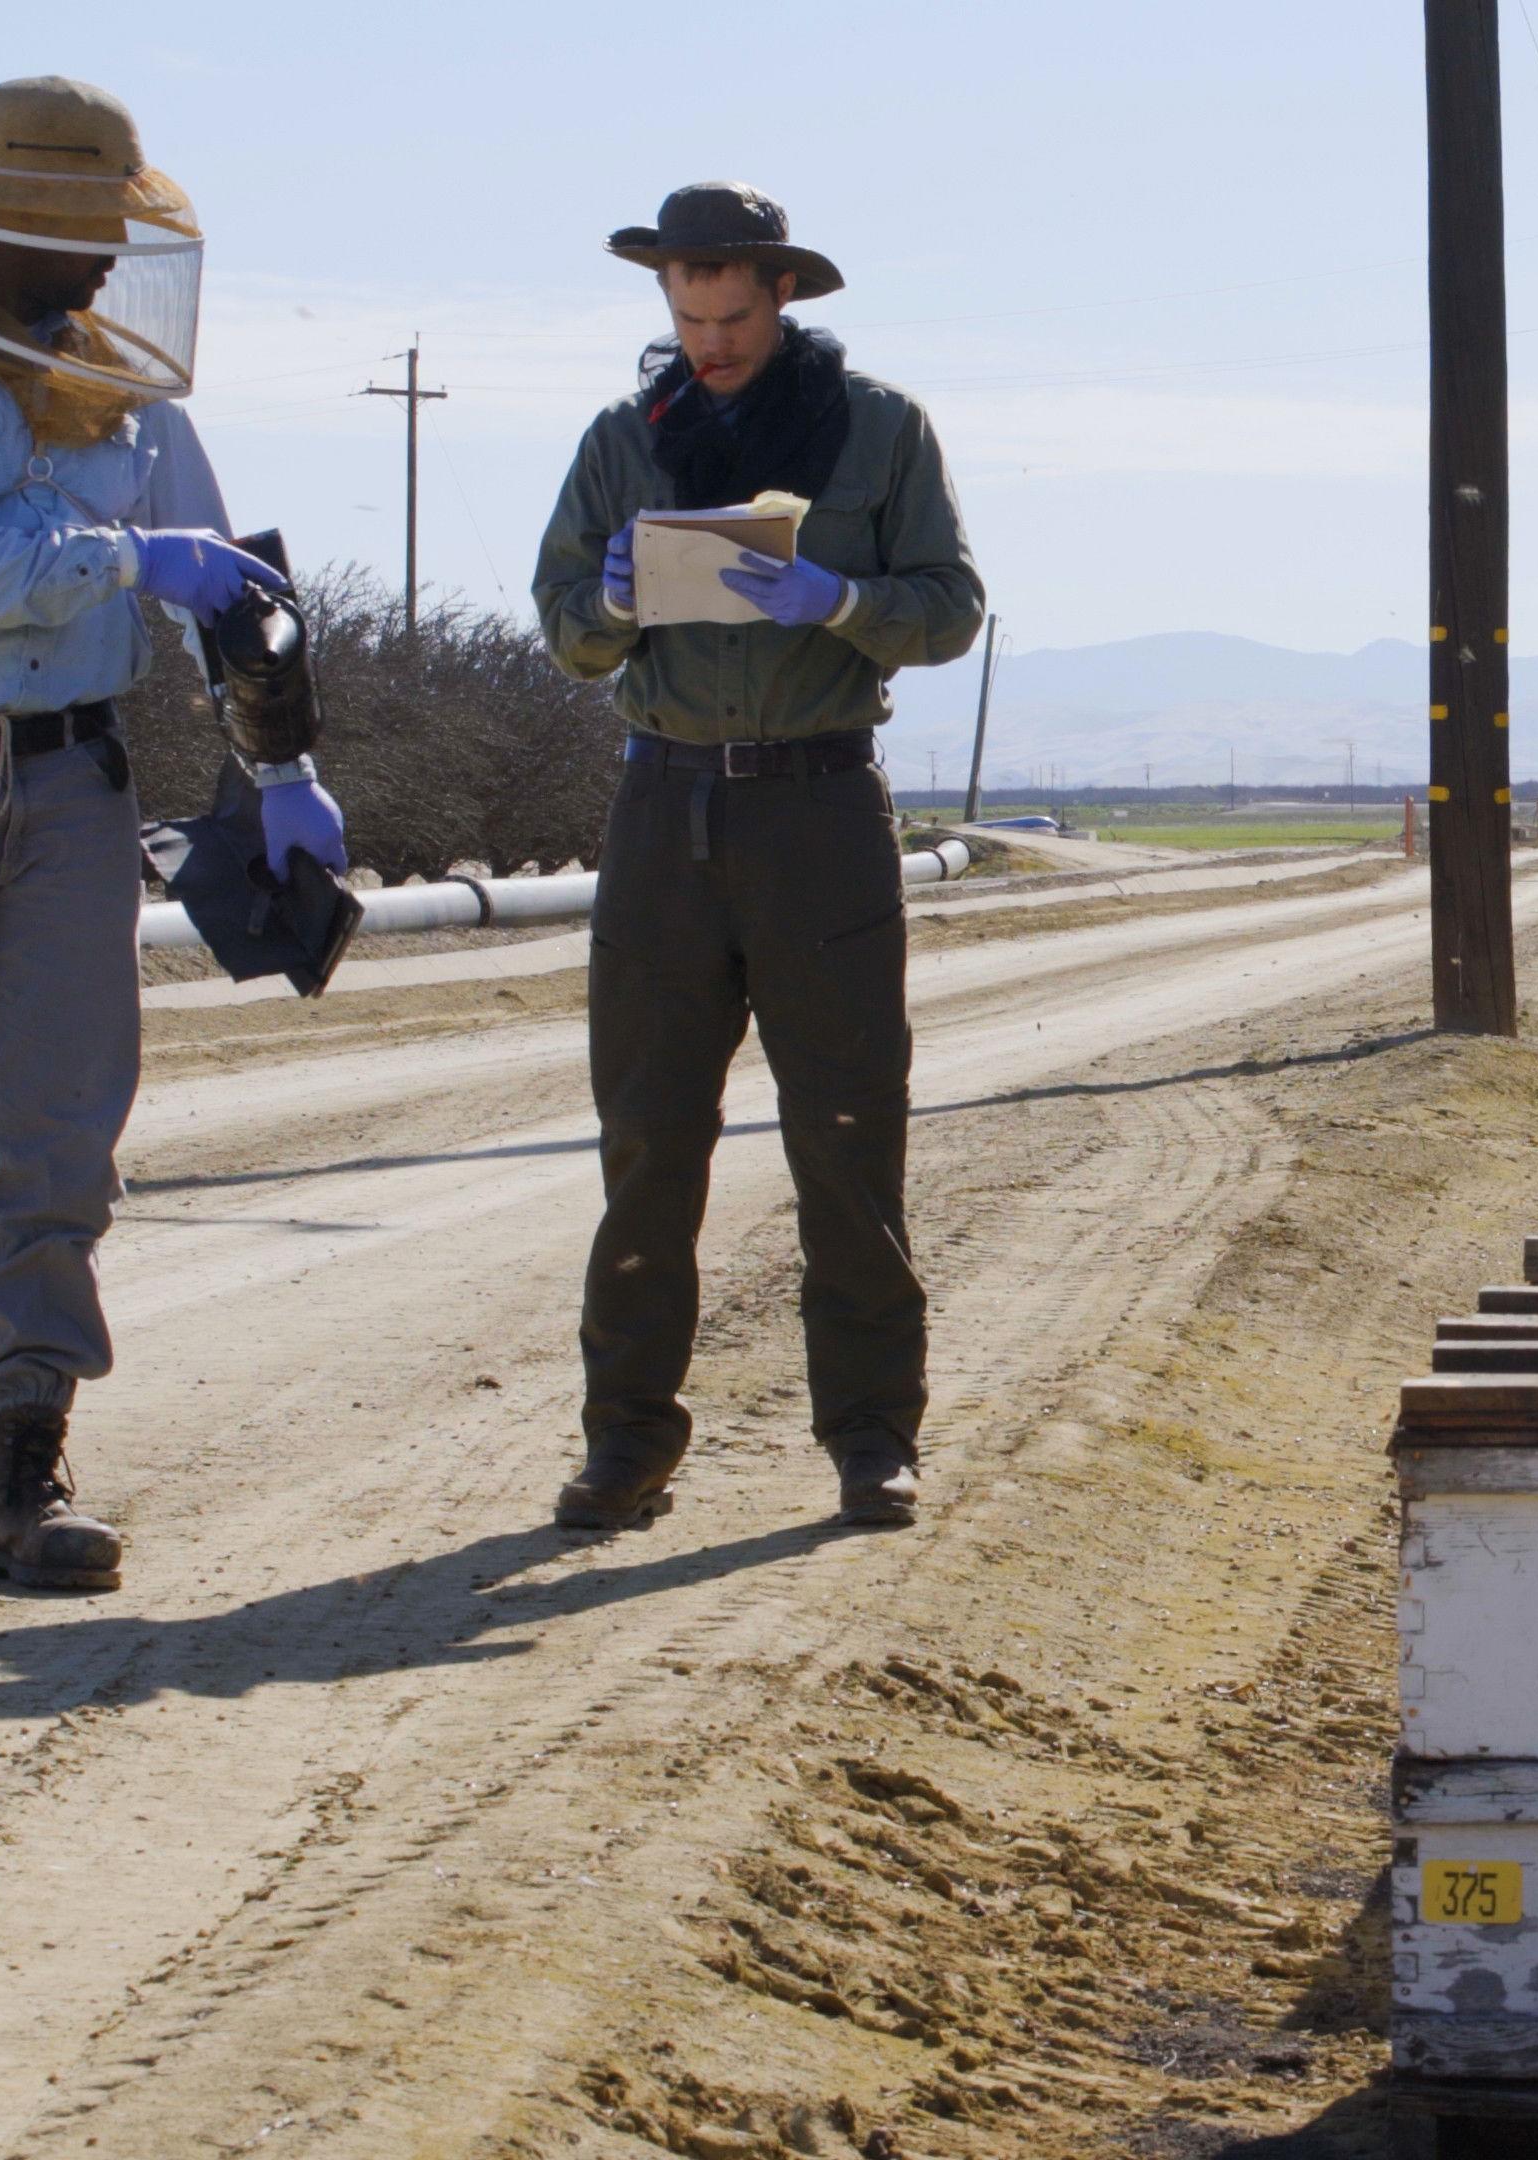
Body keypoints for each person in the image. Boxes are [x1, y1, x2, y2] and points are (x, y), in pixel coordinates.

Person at [0, 78, 334, 1591]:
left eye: (119, 228)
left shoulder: (130, 389)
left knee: (63, 1127)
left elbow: (235, 588)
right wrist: (128, 556)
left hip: (74, 783)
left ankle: (25, 1456)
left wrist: (283, 762)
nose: (106, 263)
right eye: (77, 234)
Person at [530, 184, 983, 1532]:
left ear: (782, 298)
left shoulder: (881, 430)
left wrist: (834, 600)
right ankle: (625, 1446)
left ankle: (870, 1441)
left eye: (730, 315)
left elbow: (953, 608)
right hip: (663, 813)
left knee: (848, 1139)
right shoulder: (625, 441)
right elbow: (561, 622)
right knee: (648, 1147)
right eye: (686, 313)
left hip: (821, 810)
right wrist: (611, 597)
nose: (708, 340)